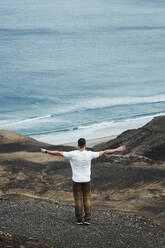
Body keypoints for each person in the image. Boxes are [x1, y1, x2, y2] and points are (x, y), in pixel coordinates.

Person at [41, 138, 126, 225]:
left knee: (78, 200)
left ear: (78, 145)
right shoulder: (90, 154)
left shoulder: (72, 154)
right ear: (85, 145)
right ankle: (87, 219)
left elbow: (58, 153)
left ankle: (79, 219)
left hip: (76, 180)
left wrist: (46, 151)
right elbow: (105, 152)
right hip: (86, 180)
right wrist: (117, 149)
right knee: (87, 199)